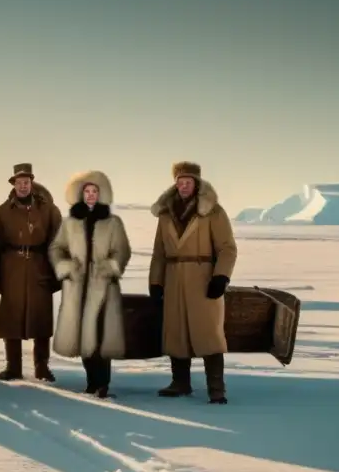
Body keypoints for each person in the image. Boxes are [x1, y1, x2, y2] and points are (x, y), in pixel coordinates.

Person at [148, 161, 237, 403]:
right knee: (175, 331)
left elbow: (227, 248)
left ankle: (216, 388)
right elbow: (159, 252)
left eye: (188, 182)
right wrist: (156, 281)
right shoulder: (166, 213)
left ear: (196, 183)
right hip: (174, 276)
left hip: (203, 277)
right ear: (175, 183)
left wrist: (221, 276)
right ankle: (180, 382)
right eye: (180, 181)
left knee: (208, 332)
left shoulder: (213, 211)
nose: (184, 185)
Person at [48, 170, 131, 398]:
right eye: (87, 191)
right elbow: (56, 249)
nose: (91, 195)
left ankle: (102, 382)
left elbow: (122, 250)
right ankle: (90, 382)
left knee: (101, 334)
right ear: (80, 194)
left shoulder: (113, 223)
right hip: (77, 286)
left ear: (102, 194)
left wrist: (110, 267)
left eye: (95, 191)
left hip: (103, 285)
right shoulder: (70, 223)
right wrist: (66, 267)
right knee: (83, 334)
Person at [0, 163, 63, 381]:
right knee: (12, 318)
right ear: (14, 183)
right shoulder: (2, 211)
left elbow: (58, 242)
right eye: (19, 182)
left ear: (32, 183)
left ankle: (42, 367)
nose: (23, 186)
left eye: (26, 182)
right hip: (11, 267)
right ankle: (13, 367)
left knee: (41, 318)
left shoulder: (48, 210)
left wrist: (57, 273)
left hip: (40, 267)